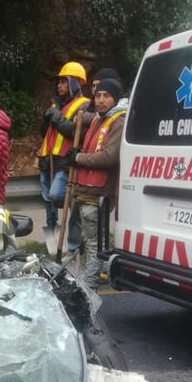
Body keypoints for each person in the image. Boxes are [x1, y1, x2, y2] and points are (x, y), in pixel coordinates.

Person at [68, 78, 127, 287]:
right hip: (85, 191)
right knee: (90, 240)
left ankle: (89, 285)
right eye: (98, 96)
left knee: (94, 243)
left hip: (99, 193)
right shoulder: (98, 119)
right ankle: (91, 278)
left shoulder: (118, 122)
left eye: (106, 96)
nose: (101, 100)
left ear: (115, 99)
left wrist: (78, 158)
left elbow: (109, 157)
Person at [36, 62, 90, 230]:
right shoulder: (57, 105)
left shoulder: (84, 105)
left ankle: (77, 222)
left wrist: (55, 116)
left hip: (64, 161)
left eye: (63, 82)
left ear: (74, 83)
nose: (59, 86)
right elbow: (44, 133)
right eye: (58, 82)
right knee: (47, 198)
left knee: (55, 195)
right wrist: (46, 118)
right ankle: (52, 231)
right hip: (47, 159)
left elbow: (75, 132)